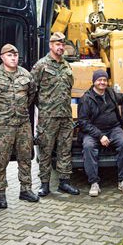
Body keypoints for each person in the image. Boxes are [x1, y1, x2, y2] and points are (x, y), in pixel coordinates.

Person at [0, 43, 39, 207]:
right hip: (2, 125)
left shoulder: (26, 75)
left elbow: (31, 95)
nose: (13, 57)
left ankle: (26, 189)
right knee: (0, 160)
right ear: (2, 57)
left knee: (25, 158)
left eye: (15, 55)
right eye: (9, 55)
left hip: (23, 124)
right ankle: (0, 194)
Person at [78, 70, 123, 196]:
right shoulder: (86, 99)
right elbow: (83, 122)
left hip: (113, 129)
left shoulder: (110, 93)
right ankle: (94, 183)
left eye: (104, 80)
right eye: (99, 80)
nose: (102, 82)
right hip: (93, 132)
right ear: (94, 82)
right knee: (88, 147)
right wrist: (100, 135)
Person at [31, 32, 79, 196]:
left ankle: (64, 183)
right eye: (57, 44)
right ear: (51, 45)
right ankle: (44, 184)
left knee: (65, 150)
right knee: (46, 151)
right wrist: (44, 108)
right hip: (48, 117)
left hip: (65, 116)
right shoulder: (41, 65)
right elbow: (32, 91)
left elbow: (68, 89)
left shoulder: (67, 66)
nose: (60, 47)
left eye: (62, 44)